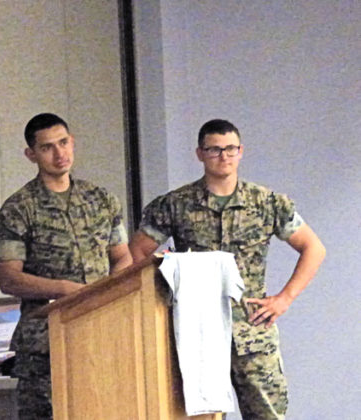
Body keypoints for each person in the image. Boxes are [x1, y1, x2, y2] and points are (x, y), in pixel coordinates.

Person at [129, 119, 326, 419]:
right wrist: (168, 293)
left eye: (230, 149)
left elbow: (313, 248)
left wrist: (284, 298)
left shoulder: (266, 202)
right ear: (200, 153)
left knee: (267, 415)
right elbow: (138, 252)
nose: (223, 156)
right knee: (196, 415)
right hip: (197, 332)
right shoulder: (175, 204)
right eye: (214, 150)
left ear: (241, 151)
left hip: (251, 329)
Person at [0, 113, 132, 419]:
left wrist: (110, 292)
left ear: (73, 142)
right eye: (47, 147)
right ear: (31, 154)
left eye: (64, 143)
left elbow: (122, 257)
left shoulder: (101, 200)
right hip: (46, 341)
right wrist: (66, 290)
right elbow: (9, 278)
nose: (59, 154)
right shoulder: (19, 208)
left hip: (101, 331)